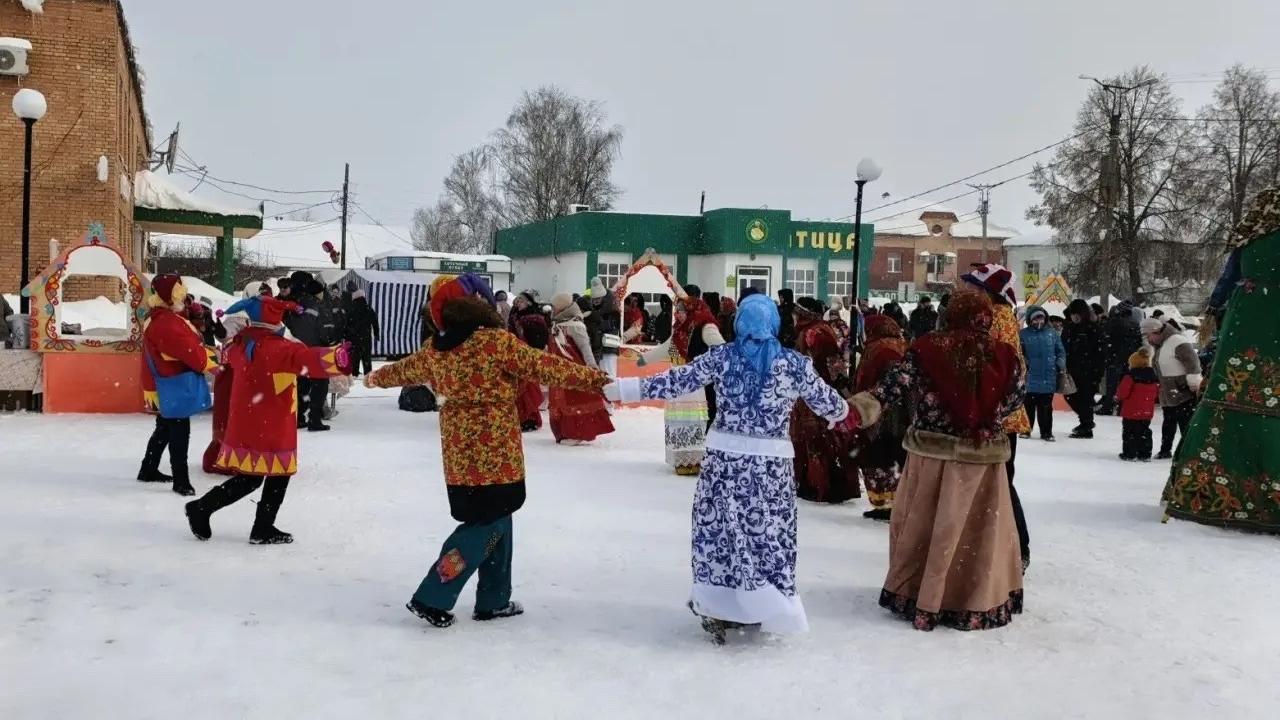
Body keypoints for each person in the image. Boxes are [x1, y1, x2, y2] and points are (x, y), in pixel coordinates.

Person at [607, 294, 855, 642]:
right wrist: (846, 413)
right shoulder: (794, 364)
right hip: (770, 471)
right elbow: (831, 406)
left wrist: (623, 388)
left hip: (725, 465)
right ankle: (764, 601)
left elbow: (677, 381)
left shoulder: (722, 357)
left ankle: (720, 604)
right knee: (766, 532)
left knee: (721, 532)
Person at [365, 274, 608, 628]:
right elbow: (547, 367)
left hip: (459, 457)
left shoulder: (436, 349)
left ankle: (494, 600)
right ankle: (433, 594)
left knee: (498, 520)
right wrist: (596, 379)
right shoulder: (494, 343)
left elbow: (400, 371)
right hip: (497, 454)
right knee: (485, 527)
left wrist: (372, 378)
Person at [850, 291, 1025, 631]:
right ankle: (972, 598)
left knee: (927, 526)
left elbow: (894, 385)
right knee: (978, 531)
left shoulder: (928, 349)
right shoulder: (1005, 354)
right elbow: (1015, 398)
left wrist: (859, 409)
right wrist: (983, 421)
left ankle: (925, 594)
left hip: (932, 455)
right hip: (983, 461)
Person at [184, 295, 349, 545]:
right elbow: (306, 359)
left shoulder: (241, 344)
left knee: (252, 477)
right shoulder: (277, 348)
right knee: (276, 473)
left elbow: (228, 355)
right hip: (272, 421)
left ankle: (209, 509)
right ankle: (255, 524)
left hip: (249, 420)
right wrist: (336, 357)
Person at [1163, 186, 1278, 532]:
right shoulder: (1254, 235)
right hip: (1257, 321)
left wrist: (1216, 309)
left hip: (1246, 321)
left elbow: (1227, 280)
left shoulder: (1252, 233)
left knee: (1229, 398)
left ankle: (1211, 488)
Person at [959, 263, 1032, 570]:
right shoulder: (996, 315)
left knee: (999, 483)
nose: (967, 291)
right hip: (997, 412)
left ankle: (1016, 549)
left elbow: (996, 367)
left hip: (997, 415)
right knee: (996, 482)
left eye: (973, 287)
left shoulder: (996, 317)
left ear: (987, 292)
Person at [136, 275, 218, 497]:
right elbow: (188, 350)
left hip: (164, 382)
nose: (183, 298)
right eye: (180, 294)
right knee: (179, 431)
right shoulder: (166, 323)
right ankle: (181, 481)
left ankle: (148, 468)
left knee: (165, 427)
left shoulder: (160, 317)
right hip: (173, 382)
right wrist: (210, 364)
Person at [636, 294, 725, 475]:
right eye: (677, 310)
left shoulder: (705, 326)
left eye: (682, 310)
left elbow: (722, 348)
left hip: (694, 382)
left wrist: (716, 364)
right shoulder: (680, 331)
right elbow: (666, 348)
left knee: (693, 420)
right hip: (678, 383)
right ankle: (682, 459)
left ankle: (695, 459)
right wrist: (644, 359)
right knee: (679, 421)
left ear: (692, 310)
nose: (678, 314)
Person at [792, 297, 859, 504]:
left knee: (820, 439)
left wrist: (838, 388)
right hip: (812, 392)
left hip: (818, 393)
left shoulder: (816, 332)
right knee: (815, 438)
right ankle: (815, 483)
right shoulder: (812, 330)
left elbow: (832, 363)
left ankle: (823, 485)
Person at [853, 314, 908, 520]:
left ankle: (886, 503)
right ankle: (891, 503)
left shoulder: (881, 349)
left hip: (881, 409)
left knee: (878, 454)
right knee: (891, 455)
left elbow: (887, 379)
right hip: (897, 411)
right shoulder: (898, 345)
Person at [547, 293, 615, 444]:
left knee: (575, 399)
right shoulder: (557, 324)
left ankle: (577, 433)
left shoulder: (575, 325)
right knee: (560, 400)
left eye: (554, 306)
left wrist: (592, 368)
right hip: (559, 370)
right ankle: (564, 431)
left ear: (561, 307)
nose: (552, 309)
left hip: (573, 370)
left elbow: (585, 347)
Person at [1142, 317, 1201, 460]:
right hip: (1168, 391)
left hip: (1183, 391)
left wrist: (1193, 382)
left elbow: (1193, 363)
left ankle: (1189, 453)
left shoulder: (1177, 341)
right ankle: (1165, 450)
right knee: (1168, 423)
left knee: (1185, 424)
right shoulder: (1161, 344)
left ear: (1156, 331)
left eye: (1149, 336)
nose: (1148, 340)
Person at [284, 271, 335, 432]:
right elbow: (325, 330)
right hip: (315, 351)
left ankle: (298, 417)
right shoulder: (314, 303)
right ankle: (314, 419)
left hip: (294, 351)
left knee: (300, 384)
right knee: (320, 383)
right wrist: (329, 340)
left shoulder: (286, 304)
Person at [202, 311, 249, 475]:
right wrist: (219, 330)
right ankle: (226, 457)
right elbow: (225, 334)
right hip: (232, 375)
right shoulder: (238, 318)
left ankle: (238, 457)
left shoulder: (262, 321)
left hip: (243, 376)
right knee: (227, 415)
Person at [1019, 305, 1066, 441]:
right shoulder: (1023, 334)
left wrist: (1059, 364)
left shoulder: (1052, 334)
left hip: (1048, 376)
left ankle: (1046, 432)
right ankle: (1026, 430)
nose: (1039, 321)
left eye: (1041, 318)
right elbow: (1019, 352)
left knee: (1046, 408)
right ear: (1030, 320)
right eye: (1036, 319)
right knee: (1028, 406)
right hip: (1030, 376)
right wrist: (1024, 363)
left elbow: (1060, 351)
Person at [1061, 299, 1105, 439]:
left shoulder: (1092, 328)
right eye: (1073, 314)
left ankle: (1086, 425)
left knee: (1084, 398)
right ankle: (1086, 422)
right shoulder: (1069, 327)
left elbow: (1100, 353)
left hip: (1089, 370)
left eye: (1077, 314)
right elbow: (1064, 346)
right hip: (1072, 369)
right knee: (1071, 395)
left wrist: (1097, 372)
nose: (1075, 317)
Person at [509, 291, 549, 432]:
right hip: (516, 355)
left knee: (528, 388)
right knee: (519, 387)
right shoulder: (515, 316)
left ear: (529, 302)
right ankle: (521, 417)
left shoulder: (534, 318)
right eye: (517, 300)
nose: (518, 303)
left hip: (529, 356)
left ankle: (529, 418)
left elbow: (540, 340)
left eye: (522, 300)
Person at [1097, 301, 1142, 415]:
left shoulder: (1114, 322)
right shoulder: (1135, 324)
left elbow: (1105, 338)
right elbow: (1138, 343)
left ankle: (1108, 406)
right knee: (1124, 384)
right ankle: (1122, 406)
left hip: (1114, 358)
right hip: (1128, 359)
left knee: (1111, 385)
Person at [1116, 348, 1158, 461]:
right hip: (1146, 412)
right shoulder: (1153, 377)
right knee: (1144, 431)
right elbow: (1156, 394)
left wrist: (1118, 397)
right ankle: (1144, 453)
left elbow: (1122, 393)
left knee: (1129, 432)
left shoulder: (1130, 377)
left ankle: (1129, 453)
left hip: (1131, 411)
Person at [588, 277, 622, 377]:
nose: (596, 301)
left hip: (608, 346)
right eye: (594, 299)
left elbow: (615, 324)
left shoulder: (612, 309)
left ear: (603, 297)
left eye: (598, 298)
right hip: (600, 347)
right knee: (603, 374)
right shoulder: (596, 309)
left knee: (609, 374)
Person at [344, 289, 379, 377]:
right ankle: (368, 374)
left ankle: (354, 373)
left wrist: (346, 336)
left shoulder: (352, 309)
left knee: (355, 358)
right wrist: (376, 333)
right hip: (366, 337)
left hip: (354, 338)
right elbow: (375, 321)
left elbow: (346, 325)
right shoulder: (368, 308)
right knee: (367, 358)